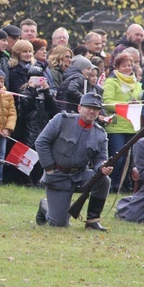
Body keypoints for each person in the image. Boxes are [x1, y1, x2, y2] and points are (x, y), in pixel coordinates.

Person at [34, 92, 113, 230]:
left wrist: (102, 168)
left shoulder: (100, 134)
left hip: (80, 176)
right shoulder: (62, 120)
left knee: (103, 180)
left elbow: (100, 159)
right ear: (79, 108)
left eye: (95, 109)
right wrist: (49, 167)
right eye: (88, 107)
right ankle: (44, 205)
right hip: (57, 175)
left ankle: (92, 220)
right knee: (59, 224)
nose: (92, 111)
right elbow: (41, 142)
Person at [102, 53, 143, 192]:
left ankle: (120, 185)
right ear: (117, 67)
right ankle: (110, 184)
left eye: (129, 65)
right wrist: (125, 105)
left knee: (127, 159)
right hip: (116, 126)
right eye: (124, 65)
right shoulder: (111, 82)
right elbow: (106, 103)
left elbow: (141, 101)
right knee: (117, 158)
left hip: (132, 126)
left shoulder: (137, 84)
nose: (127, 68)